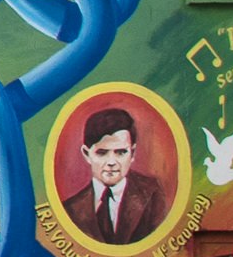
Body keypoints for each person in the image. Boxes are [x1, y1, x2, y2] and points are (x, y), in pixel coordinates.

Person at [57, 105, 166, 247]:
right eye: (102, 153)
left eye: (120, 152)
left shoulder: (152, 194)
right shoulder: (71, 209)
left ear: (132, 153)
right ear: (86, 154)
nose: (111, 162)